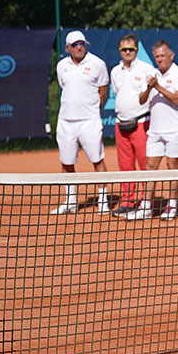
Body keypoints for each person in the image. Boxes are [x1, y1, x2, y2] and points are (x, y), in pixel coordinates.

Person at [51, 30, 110, 215]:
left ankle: (103, 200)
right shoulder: (61, 66)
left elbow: (104, 92)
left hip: (90, 121)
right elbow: (64, 87)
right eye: (75, 44)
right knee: (66, 162)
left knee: (97, 160)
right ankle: (70, 201)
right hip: (66, 122)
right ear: (68, 48)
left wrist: (92, 111)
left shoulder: (98, 64)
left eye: (82, 44)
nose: (79, 47)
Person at [133, 40, 178, 221]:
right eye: (157, 56)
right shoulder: (151, 74)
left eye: (162, 56)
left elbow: (177, 99)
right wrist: (150, 86)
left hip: (175, 129)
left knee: (172, 165)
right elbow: (142, 100)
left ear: (171, 56)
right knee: (150, 167)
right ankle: (146, 206)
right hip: (155, 130)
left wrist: (157, 86)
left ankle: (172, 205)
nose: (159, 60)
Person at [110, 33, 156, 216]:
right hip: (120, 124)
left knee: (145, 164)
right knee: (125, 166)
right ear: (120, 50)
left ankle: (146, 203)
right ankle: (128, 201)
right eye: (124, 49)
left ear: (136, 50)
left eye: (131, 49)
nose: (128, 52)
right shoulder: (115, 71)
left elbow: (151, 98)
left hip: (142, 123)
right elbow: (117, 92)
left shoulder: (147, 69)